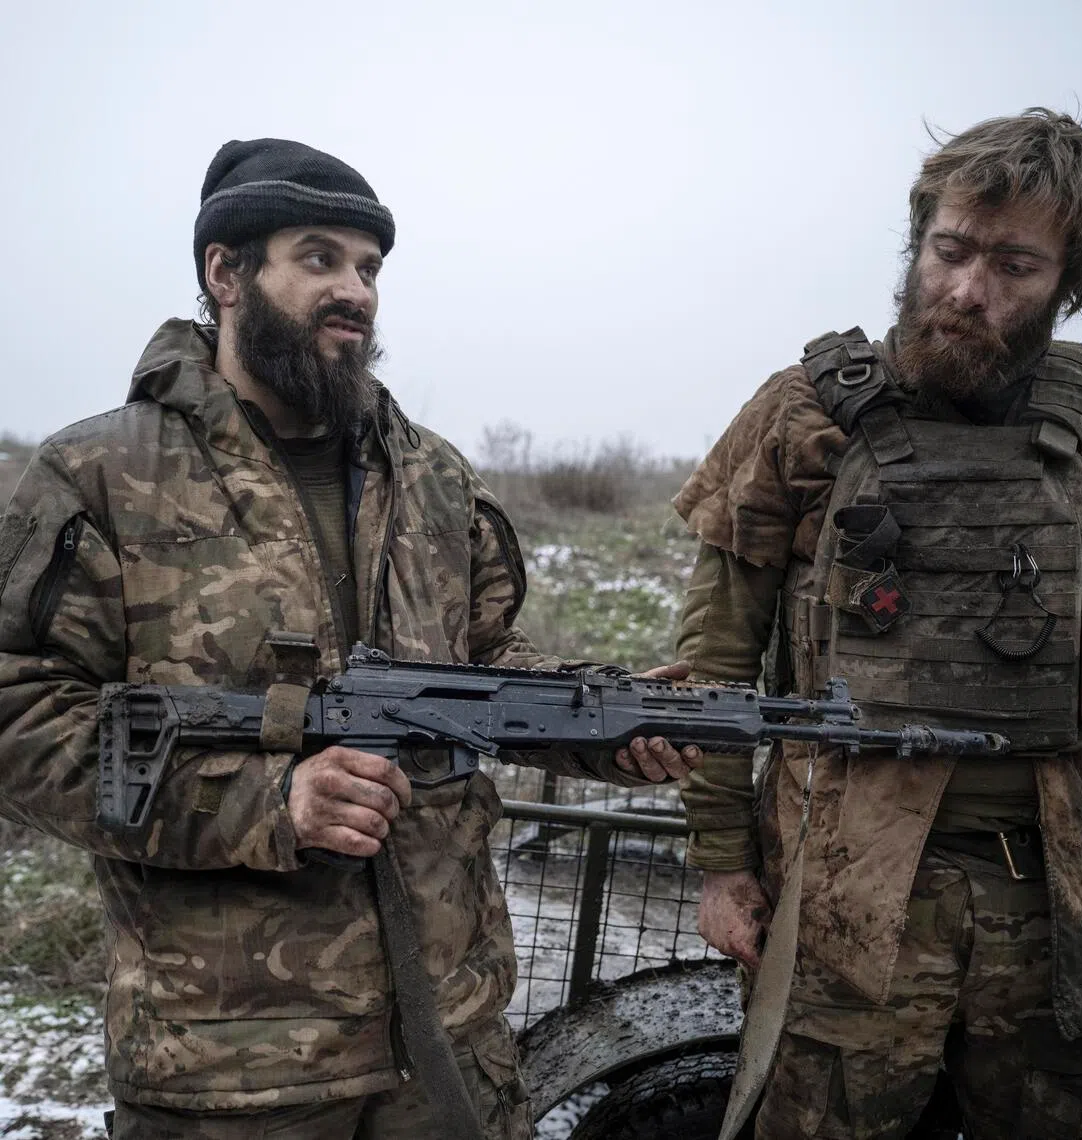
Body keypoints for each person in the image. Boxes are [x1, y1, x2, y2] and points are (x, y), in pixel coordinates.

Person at [0, 138, 697, 1139]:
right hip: (233, 1074)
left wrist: (610, 721)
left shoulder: (436, 479)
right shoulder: (99, 478)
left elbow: (486, 667)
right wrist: (266, 802)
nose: (356, 291)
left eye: (370, 268)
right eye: (319, 257)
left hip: (448, 1049)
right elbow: (21, 716)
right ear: (225, 272)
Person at [674, 108, 1082, 1137]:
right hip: (849, 906)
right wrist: (718, 864)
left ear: (1069, 281)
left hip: (1069, 913)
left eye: (1015, 265)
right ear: (917, 239)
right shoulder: (801, 414)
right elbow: (713, 659)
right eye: (951, 250)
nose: (969, 292)